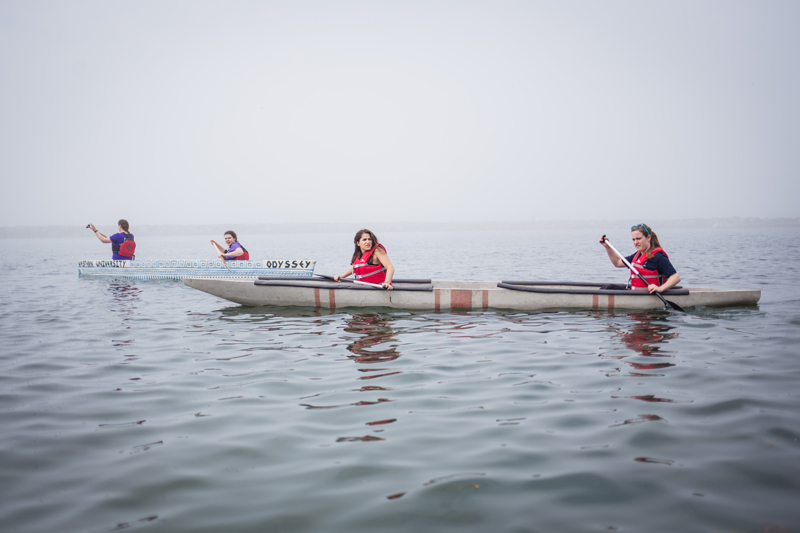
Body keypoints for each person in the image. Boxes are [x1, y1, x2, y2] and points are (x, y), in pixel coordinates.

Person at [600, 223, 680, 294]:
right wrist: (608, 247)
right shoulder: (637, 256)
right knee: (608, 287)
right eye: (633, 239)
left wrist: (660, 288)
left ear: (648, 238)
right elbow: (617, 262)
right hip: (636, 292)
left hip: (651, 295)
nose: (635, 242)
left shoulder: (658, 257)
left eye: (638, 239)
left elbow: (675, 277)